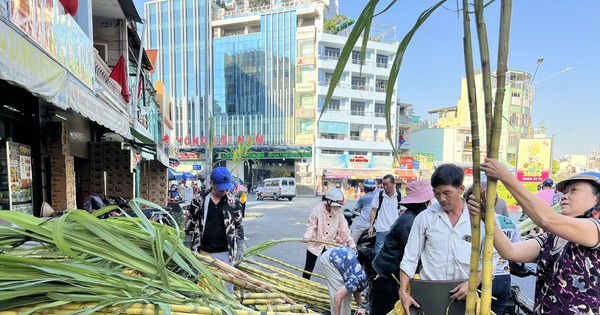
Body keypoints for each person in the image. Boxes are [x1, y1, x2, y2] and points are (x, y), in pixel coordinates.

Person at [469, 159, 600, 314]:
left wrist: (506, 177)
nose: (564, 196)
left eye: (574, 190)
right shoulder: (552, 237)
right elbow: (510, 251)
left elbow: (547, 219)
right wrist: (487, 217)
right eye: (564, 192)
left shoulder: (595, 229)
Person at [399, 164, 484, 314]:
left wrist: (473, 282)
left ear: (461, 189)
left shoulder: (477, 219)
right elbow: (410, 258)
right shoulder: (425, 218)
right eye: (437, 194)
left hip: (464, 296)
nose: (442, 199)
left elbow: (491, 260)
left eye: (447, 193)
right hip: (429, 293)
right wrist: (403, 292)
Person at [370, 180, 434, 315]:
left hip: (391, 274)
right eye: (429, 201)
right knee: (383, 310)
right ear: (423, 203)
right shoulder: (409, 222)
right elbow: (413, 255)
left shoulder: (415, 218)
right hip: (386, 275)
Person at [464, 183, 520, 315]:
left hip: (479, 278)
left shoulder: (473, 224)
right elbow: (516, 251)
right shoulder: (510, 223)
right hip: (503, 279)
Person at [188, 166, 244, 293]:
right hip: (204, 252)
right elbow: (191, 221)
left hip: (225, 252)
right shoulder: (199, 199)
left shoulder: (233, 202)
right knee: (205, 289)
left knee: (226, 289)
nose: (224, 191)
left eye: (226, 188)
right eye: (220, 188)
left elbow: (239, 225)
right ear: (212, 183)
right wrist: (187, 243)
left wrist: (240, 247)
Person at [302, 187, 355, 279]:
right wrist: (308, 235)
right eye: (336, 206)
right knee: (308, 269)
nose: (337, 208)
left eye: (339, 206)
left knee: (331, 269)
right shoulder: (317, 210)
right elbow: (311, 225)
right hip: (315, 243)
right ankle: (303, 286)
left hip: (329, 245)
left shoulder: (339, 213)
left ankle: (334, 288)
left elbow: (344, 230)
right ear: (329, 202)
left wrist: (351, 243)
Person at [320, 246, 376, 315]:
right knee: (341, 297)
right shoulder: (359, 277)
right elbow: (338, 296)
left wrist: (362, 308)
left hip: (338, 254)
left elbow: (356, 291)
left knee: (346, 295)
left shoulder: (364, 275)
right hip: (329, 259)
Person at [368, 174, 400, 252]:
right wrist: (371, 226)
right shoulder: (379, 195)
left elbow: (402, 212)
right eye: (383, 184)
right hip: (381, 229)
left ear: (393, 184)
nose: (385, 187)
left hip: (394, 230)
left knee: (393, 252)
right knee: (379, 252)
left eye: (387, 184)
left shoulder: (399, 196)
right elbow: (373, 210)